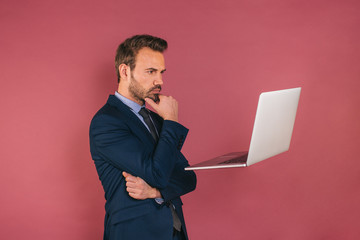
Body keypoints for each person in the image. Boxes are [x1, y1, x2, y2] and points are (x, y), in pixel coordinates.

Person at [89, 34, 197, 240]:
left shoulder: (157, 121)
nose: (160, 81)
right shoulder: (106, 123)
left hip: (175, 232)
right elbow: (157, 174)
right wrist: (172, 120)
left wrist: (156, 192)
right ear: (124, 71)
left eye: (161, 72)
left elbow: (188, 178)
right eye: (151, 72)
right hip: (136, 233)